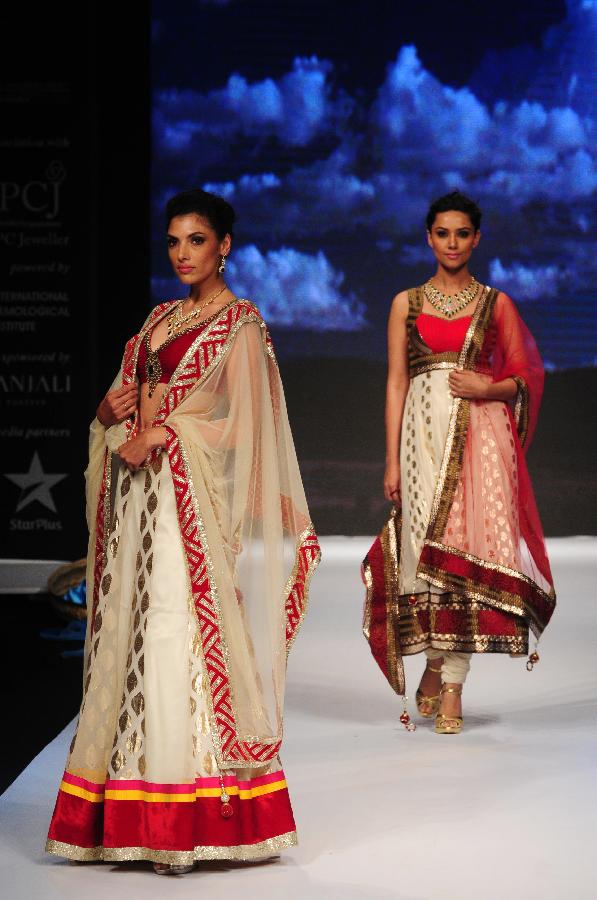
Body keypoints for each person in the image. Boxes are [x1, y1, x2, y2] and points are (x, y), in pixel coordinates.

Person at [46, 188, 320, 872]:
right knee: (133, 629)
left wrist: (168, 430)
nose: (181, 254)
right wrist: (113, 415)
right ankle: (124, 803)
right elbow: (125, 402)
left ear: (224, 245)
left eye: (195, 240)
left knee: (174, 627)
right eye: (173, 242)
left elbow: (245, 429)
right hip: (138, 497)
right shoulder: (159, 318)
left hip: (187, 506)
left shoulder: (241, 326)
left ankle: (181, 811)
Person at [362, 191, 555, 735]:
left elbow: (527, 375)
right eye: (442, 233)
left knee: (465, 556)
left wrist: (486, 385)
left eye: (462, 233)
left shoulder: (497, 304)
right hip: (420, 442)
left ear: (477, 238)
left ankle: (452, 685)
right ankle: (431, 662)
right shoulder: (407, 302)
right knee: (425, 556)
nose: (452, 242)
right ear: (429, 238)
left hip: (478, 442)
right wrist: (391, 458)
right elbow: (397, 380)